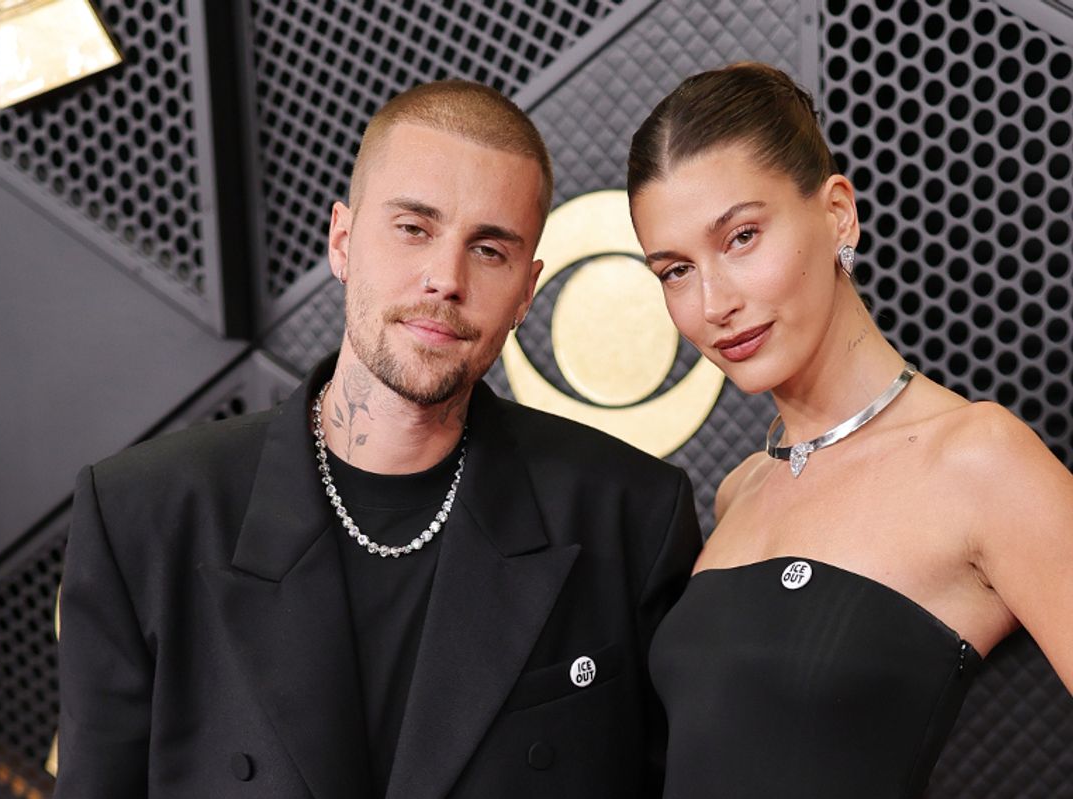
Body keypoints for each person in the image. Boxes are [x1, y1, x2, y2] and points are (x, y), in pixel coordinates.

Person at [54, 79, 702, 799]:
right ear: (342, 239)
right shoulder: (144, 516)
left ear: (526, 290)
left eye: (489, 249)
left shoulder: (630, 516)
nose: (444, 279)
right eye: (414, 228)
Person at [626, 62, 1073, 798]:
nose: (713, 302)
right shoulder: (744, 488)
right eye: (674, 270)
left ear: (838, 212)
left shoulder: (977, 459)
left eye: (741, 237)